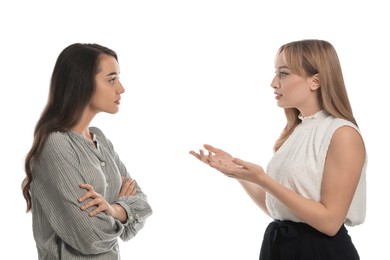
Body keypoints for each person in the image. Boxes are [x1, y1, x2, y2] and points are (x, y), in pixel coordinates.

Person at [190, 39, 366, 260]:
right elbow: (279, 208)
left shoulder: (342, 134)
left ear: (316, 81)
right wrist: (238, 172)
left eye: (283, 73)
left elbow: (330, 222)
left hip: (320, 252)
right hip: (281, 247)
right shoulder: (298, 130)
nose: (274, 83)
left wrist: (263, 179)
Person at [22, 43, 152, 260]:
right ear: (82, 84)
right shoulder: (55, 144)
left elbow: (143, 204)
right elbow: (89, 236)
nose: (121, 88)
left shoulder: (99, 138)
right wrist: (123, 214)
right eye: (111, 79)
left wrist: (113, 210)